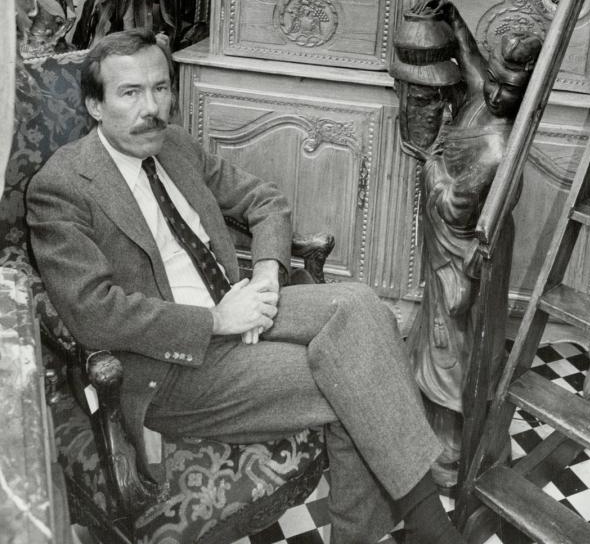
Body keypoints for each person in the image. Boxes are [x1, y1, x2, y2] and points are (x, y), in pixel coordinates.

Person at [26, 29, 468, 544]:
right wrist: (216, 320)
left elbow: (266, 202)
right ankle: (427, 524)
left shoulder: (176, 149)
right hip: (169, 364)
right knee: (356, 379)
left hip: (239, 304)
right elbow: (91, 312)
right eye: (130, 93)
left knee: (363, 305)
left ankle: (418, 524)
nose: (152, 108)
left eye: (161, 88)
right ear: (94, 106)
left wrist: (264, 277)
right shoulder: (60, 188)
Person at [391, 0, 541, 484]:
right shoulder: (486, 91)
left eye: (510, 90)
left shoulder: (499, 146)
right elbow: (471, 58)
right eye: (495, 79)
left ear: (529, 91)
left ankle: (452, 444)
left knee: (451, 334)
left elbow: (456, 204)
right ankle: (426, 425)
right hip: (445, 243)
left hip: (461, 248)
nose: (495, 94)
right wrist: (452, 17)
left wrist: (433, 161)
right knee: (434, 322)